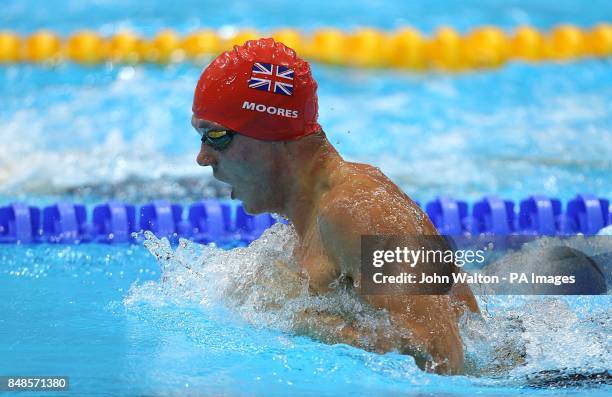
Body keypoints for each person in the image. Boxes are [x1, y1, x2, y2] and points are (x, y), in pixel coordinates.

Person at [191, 37, 478, 374]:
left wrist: (304, 321)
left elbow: (440, 357)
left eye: (216, 136)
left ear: (270, 130)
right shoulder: (310, 218)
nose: (202, 157)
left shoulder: (357, 209)